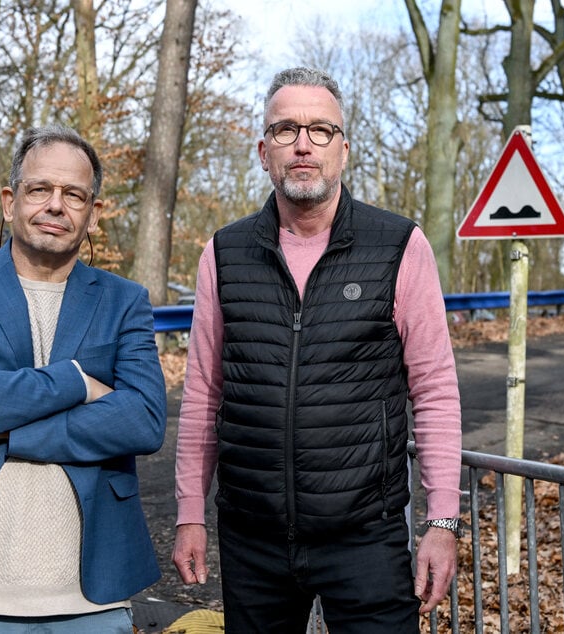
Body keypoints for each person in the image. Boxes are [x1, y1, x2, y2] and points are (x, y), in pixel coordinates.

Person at [172, 67, 463, 633]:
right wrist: (189, 514)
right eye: (285, 129)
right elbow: (203, 393)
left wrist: (442, 522)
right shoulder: (224, 253)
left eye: (321, 130)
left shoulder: (399, 245)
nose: (303, 144)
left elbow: (434, 390)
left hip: (365, 535)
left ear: (344, 149)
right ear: (263, 150)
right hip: (252, 537)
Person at [0, 125, 167, 633]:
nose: (55, 205)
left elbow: (144, 420)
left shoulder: (124, 300)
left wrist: (7, 429)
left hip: (93, 594)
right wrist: (77, 383)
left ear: (92, 214)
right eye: (40, 189)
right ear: (9, 201)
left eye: (74, 195)